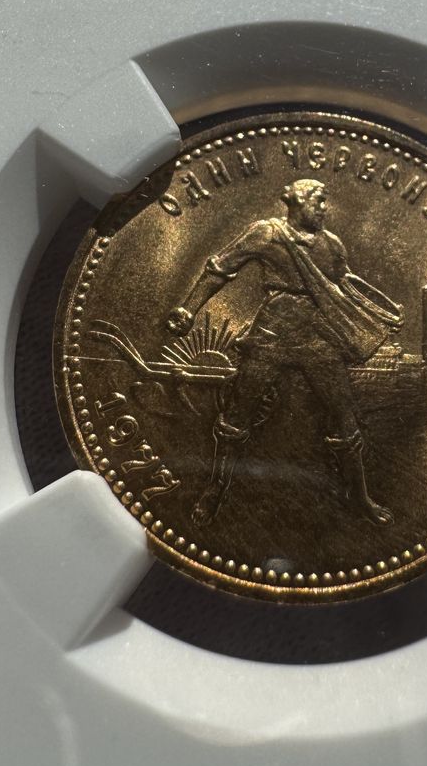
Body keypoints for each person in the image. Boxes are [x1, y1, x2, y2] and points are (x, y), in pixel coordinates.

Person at [166, 178, 395, 527]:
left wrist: (379, 311)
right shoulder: (267, 233)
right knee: (237, 413)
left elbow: (344, 287)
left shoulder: (332, 244)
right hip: (271, 333)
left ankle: (359, 496)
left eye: (325, 201)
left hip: (319, 337)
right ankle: (216, 487)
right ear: (298, 201)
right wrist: (189, 308)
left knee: (344, 416)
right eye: (319, 200)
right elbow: (221, 268)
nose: (324, 208)